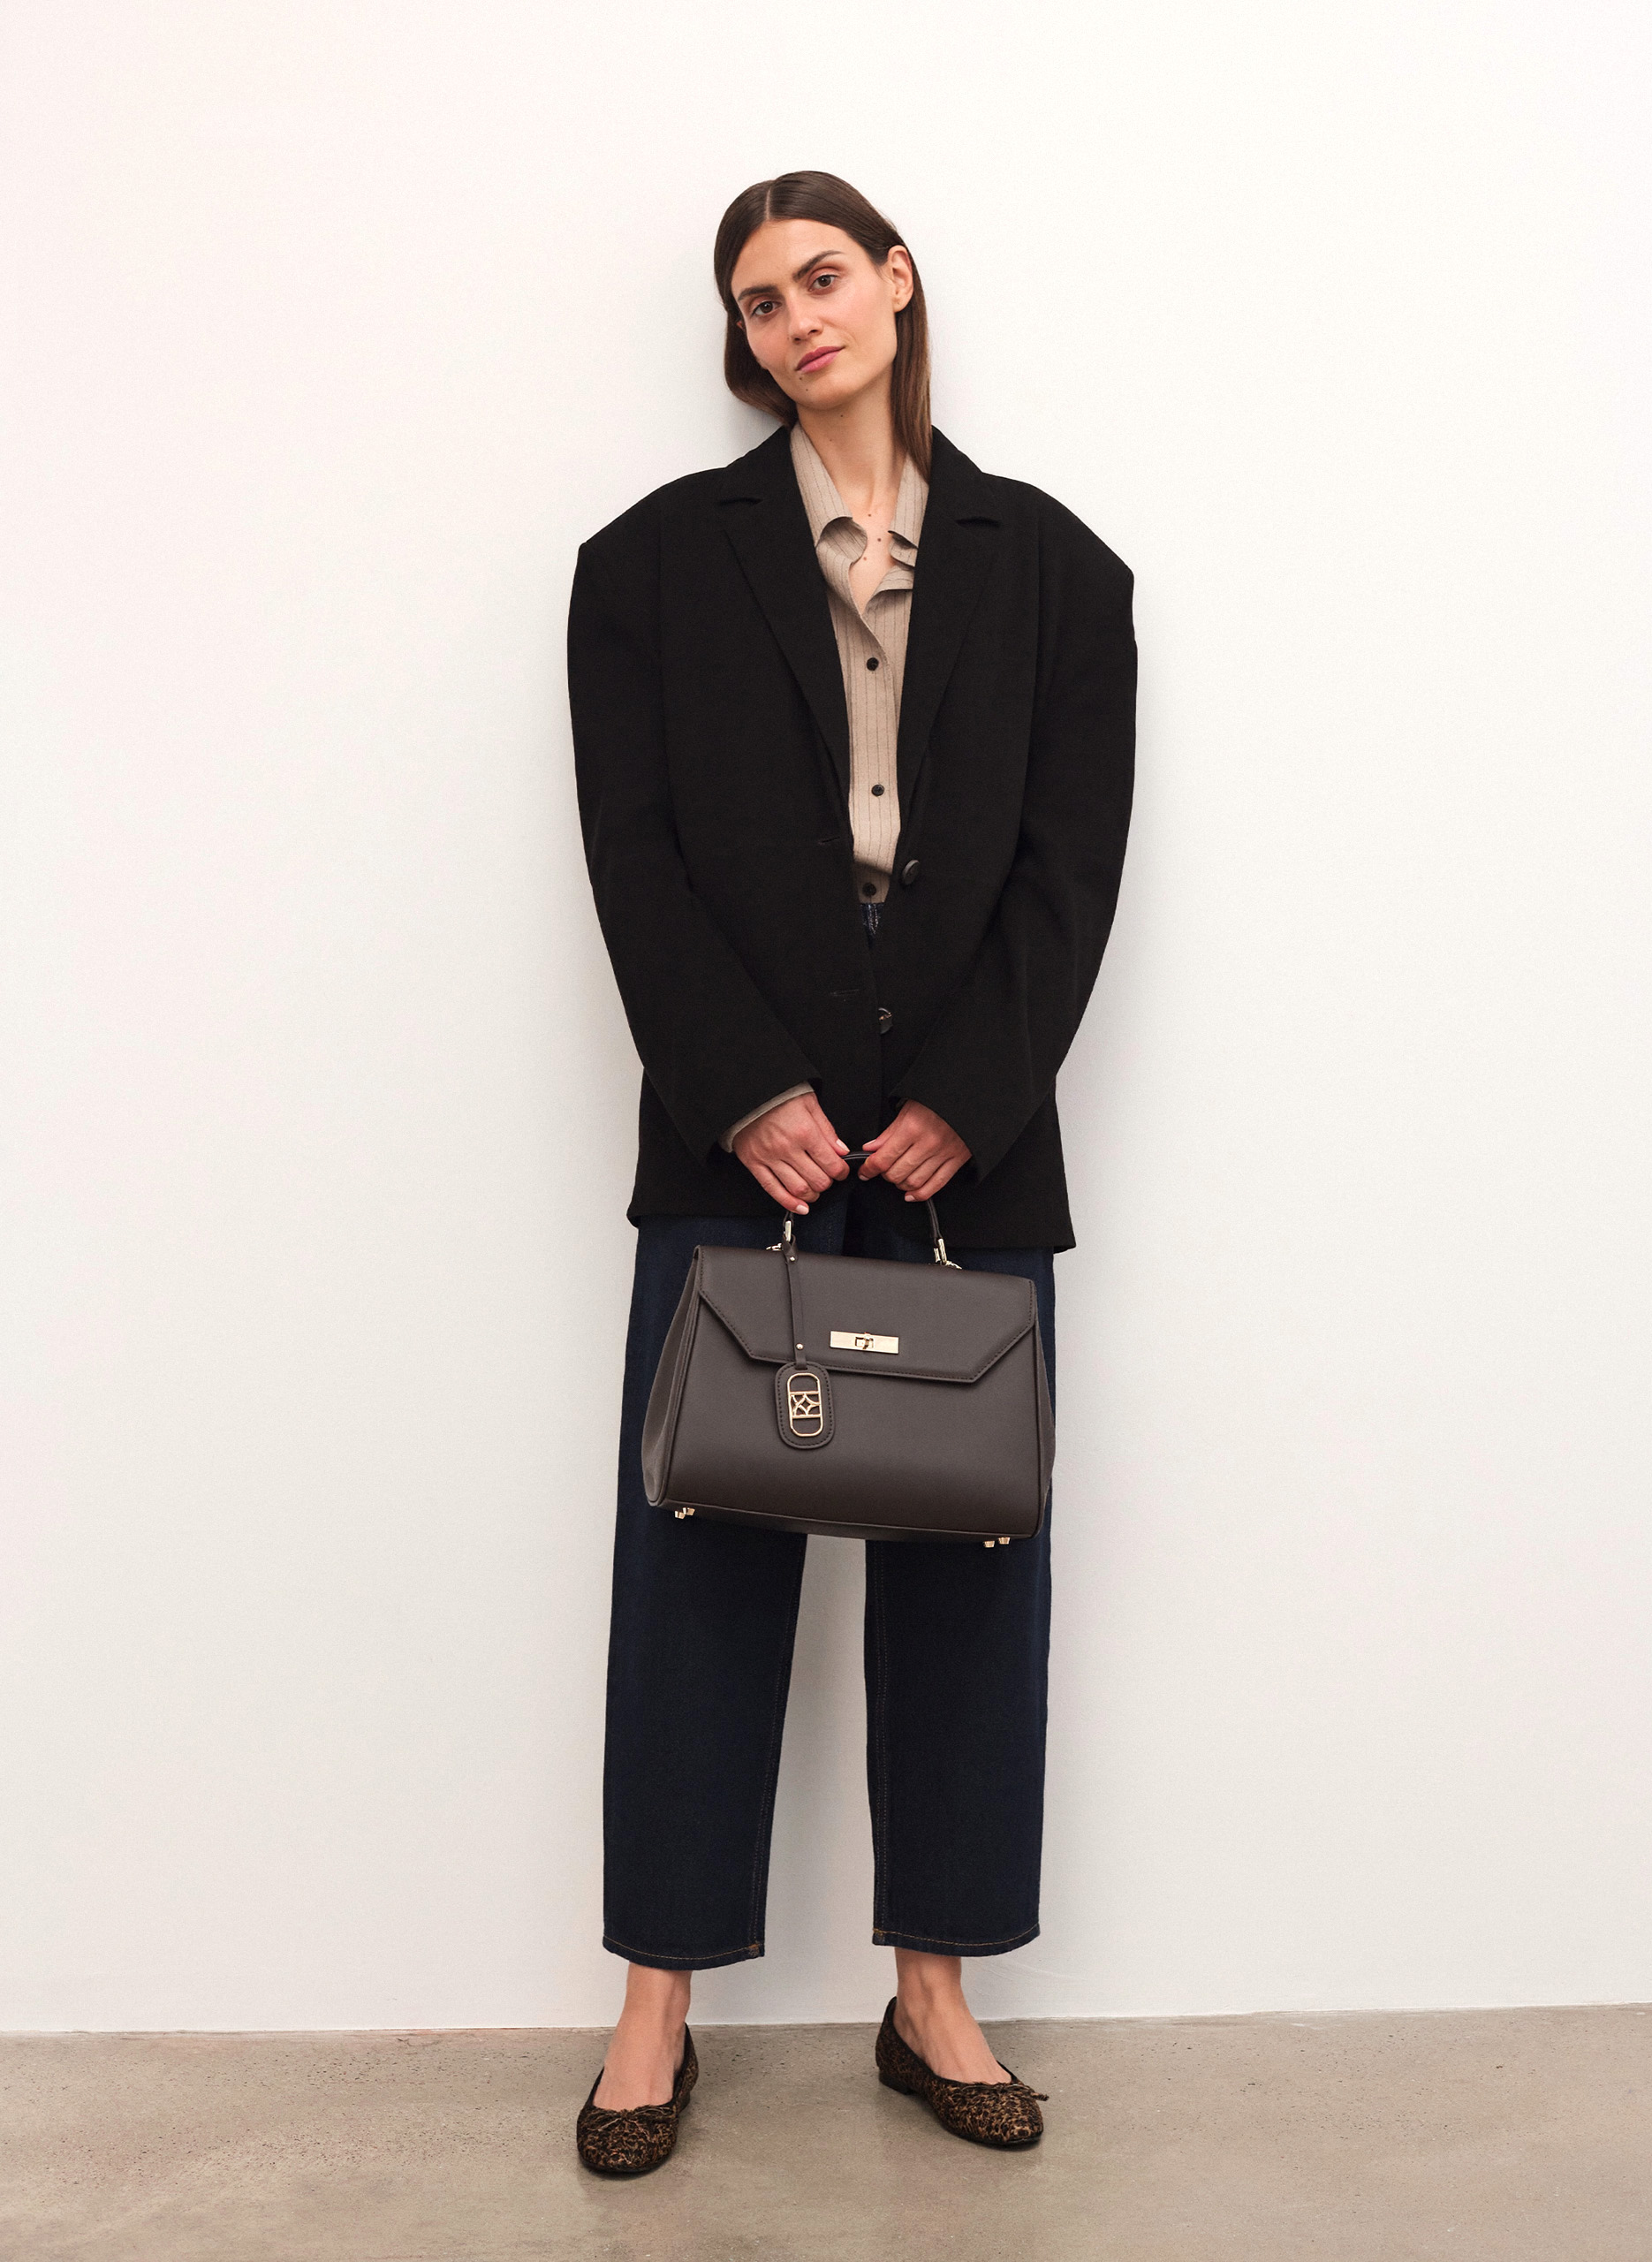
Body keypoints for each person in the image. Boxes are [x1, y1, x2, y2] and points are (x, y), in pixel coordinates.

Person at [567, 171, 1136, 2175]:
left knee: (971, 1562)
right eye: (757, 299)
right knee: (697, 1557)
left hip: (967, 1146)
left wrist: (972, 1094)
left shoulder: (1059, 568)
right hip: (747, 1136)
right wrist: (742, 1090)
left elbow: (1072, 866)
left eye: (822, 275)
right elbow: (633, 857)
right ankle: (655, 2005)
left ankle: (934, 1992)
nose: (796, 316)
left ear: (894, 282)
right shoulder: (646, 566)